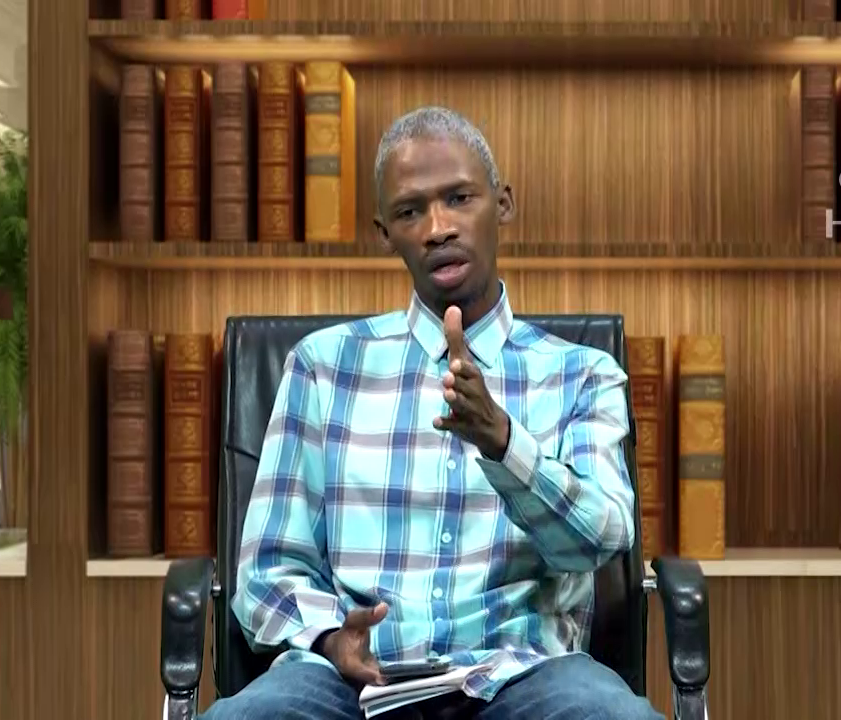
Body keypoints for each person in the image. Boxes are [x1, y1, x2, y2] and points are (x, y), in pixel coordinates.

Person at [199, 106, 664, 720]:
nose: (438, 228)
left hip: (523, 676)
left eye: (459, 198)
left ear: (503, 204)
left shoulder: (582, 374)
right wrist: (331, 638)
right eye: (409, 211)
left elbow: (601, 538)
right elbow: (267, 568)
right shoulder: (321, 366)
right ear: (384, 232)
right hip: (352, 684)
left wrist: (503, 443)